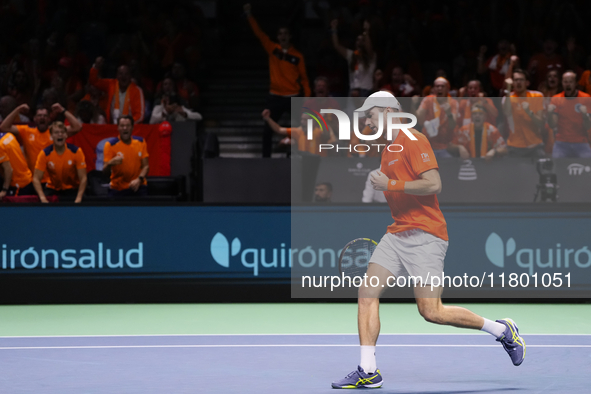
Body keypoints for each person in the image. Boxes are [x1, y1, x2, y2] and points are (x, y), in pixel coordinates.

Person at [331, 92, 525, 389]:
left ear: (385, 111)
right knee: (366, 293)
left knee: (431, 311)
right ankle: (368, 370)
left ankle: (502, 330)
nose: (367, 121)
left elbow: (434, 183)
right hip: (397, 233)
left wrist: (391, 183)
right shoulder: (387, 149)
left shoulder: (413, 138)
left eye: (369, 115)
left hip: (426, 234)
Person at [244, 3, 311, 158]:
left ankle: (297, 157)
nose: (283, 36)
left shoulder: (298, 56)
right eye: (280, 34)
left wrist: (307, 100)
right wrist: (249, 15)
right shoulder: (272, 49)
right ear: (278, 36)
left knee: (299, 130)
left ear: (290, 36)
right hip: (275, 96)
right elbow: (259, 33)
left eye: (285, 33)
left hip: (293, 97)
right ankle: (265, 159)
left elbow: (305, 80)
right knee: (267, 129)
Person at [0, 103, 82, 177]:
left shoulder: (56, 132)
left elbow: (77, 127)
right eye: (39, 115)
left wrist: (62, 110)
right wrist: (17, 110)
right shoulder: (26, 131)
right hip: (33, 179)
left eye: (45, 116)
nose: (42, 117)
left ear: (49, 119)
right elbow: (4, 127)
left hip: (52, 180)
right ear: (35, 119)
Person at [32, 121, 87, 203]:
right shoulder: (45, 154)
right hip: (53, 188)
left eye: (62, 132)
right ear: (51, 136)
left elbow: (83, 178)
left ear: (66, 135)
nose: (60, 134)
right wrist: (42, 198)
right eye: (56, 132)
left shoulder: (76, 151)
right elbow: (36, 179)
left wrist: (78, 198)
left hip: (72, 189)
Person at [502, 69, 546, 157]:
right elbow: (506, 112)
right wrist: (508, 89)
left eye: (521, 80)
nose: (518, 82)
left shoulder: (537, 96)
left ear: (527, 83)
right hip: (514, 146)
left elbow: (540, 123)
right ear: (513, 83)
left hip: (535, 146)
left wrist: (529, 113)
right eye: (516, 80)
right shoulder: (507, 98)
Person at [89, 57, 145, 124]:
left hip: (130, 129)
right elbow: (94, 81)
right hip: (112, 126)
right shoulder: (111, 84)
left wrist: (125, 124)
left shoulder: (137, 91)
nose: (123, 76)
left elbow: (139, 116)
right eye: (120, 74)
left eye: (126, 74)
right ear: (117, 76)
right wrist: (96, 66)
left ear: (130, 76)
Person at [548, 71, 591, 158]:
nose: (568, 84)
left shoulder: (586, 98)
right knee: (556, 167)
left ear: (576, 83)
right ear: (562, 83)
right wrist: (549, 114)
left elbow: (588, 126)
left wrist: (585, 116)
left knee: (587, 167)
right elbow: (553, 125)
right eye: (565, 82)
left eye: (570, 82)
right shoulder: (556, 99)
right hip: (561, 142)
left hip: (581, 142)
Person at [103, 116, 149, 197]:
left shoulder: (141, 142)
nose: (125, 128)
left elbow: (146, 166)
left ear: (132, 127)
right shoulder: (110, 145)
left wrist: (139, 179)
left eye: (128, 125)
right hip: (118, 189)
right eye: (122, 126)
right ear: (118, 128)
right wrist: (110, 163)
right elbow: (104, 172)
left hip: (138, 187)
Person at [330, 19, 376, 97]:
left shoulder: (371, 56)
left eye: (363, 40)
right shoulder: (352, 55)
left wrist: (366, 31)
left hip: (366, 92)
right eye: (358, 40)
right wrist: (333, 29)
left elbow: (368, 48)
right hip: (353, 92)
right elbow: (337, 46)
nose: (360, 42)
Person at [416, 77, 459, 158]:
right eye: (437, 86)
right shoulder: (428, 100)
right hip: (429, 145)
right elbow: (420, 121)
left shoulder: (453, 103)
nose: (440, 88)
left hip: (446, 146)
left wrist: (449, 114)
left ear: (447, 89)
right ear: (434, 88)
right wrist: (414, 105)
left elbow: (453, 125)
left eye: (442, 86)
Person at [261, 109, 335, 156]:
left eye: (305, 120)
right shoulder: (298, 131)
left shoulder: (319, 132)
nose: (302, 122)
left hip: (320, 166)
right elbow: (279, 130)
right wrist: (268, 118)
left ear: (313, 122)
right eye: (301, 120)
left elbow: (326, 135)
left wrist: (321, 120)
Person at [0, 132, 35, 198]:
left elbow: (9, 170)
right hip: (28, 178)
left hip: (19, 186)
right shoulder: (8, 135)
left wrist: (4, 190)